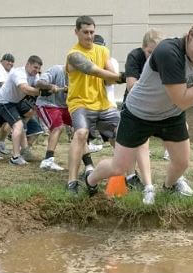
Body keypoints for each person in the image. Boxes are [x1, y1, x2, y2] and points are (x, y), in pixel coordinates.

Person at [85, 6, 193, 205]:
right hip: (138, 114)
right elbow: (183, 99)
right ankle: (90, 179)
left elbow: (192, 90)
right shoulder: (168, 52)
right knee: (120, 168)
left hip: (170, 116)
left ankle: (169, 187)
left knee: (181, 163)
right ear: (191, 35)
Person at [66, 15, 126, 193]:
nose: (89, 36)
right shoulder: (73, 55)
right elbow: (91, 69)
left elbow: (109, 80)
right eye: (85, 32)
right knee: (81, 133)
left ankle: (128, 175)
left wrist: (115, 77)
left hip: (103, 104)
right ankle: (72, 182)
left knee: (124, 132)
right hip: (80, 104)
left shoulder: (102, 51)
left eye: (92, 32)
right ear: (76, 32)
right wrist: (122, 76)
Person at [123, 29, 164, 189]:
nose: (153, 57)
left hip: (157, 106)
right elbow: (131, 86)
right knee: (136, 142)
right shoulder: (135, 56)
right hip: (134, 105)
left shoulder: (165, 59)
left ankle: (176, 179)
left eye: (157, 53)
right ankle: (131, 175)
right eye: (149, 52)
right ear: (143, 48)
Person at [36, 64, 95, 173]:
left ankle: (89, 166)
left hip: (64, 107)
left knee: (80, 128)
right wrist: (50, 86)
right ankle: (48, 160)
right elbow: (39, 83)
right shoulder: (55, 70)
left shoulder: (77, 77)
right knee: (58, 127)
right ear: (68, 64)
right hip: (47, 105)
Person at [0, 55, 46, 165]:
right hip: (3, 102)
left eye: (38, 68)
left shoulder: (34, 75)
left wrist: (49, 87)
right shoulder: (18, 73)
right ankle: (15, 157)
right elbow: (24, 88)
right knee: (18, 125)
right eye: (35, 67)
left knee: (22, 123)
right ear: (28, 64)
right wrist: (41, 92)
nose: (37, 70)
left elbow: (38, 85)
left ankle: (23, 151)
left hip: (14, 102)